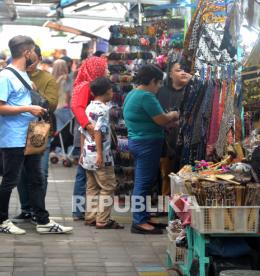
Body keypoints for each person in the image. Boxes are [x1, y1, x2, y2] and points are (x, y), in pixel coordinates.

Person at [0, 35, 72, 235]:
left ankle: (42, 220)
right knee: (10, 180)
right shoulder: (5, 76)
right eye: (34, 52)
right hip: (13, 137)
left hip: (31, 135)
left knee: (36, 178)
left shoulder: (24, 75)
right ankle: (1, 220)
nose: (36, 56)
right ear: (27, 53)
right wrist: (29, 107)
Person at [123, 65, 179, 235]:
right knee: (144, 183)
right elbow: (161, 119)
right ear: (153, 81)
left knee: (144, 181)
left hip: (137, 141)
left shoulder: (132, 94)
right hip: (147, 143)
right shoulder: (147, 96)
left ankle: (144, 216)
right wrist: (174, 115)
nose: (159, 86)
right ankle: (139, 221)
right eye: (158, 82)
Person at [11, 44, 59, 223]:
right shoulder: (12, 76)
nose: (29, 61)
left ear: (38, 58)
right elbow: (0, 104)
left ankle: (38, 209)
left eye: (32, 57)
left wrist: (33, 91)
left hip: (39, 129)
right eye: (27, 57)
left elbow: (51, 105)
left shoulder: (47, 78)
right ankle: (26, 209)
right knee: (21, 172)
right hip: (17, 128)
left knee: (40, 172)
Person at [80, 77, 124, 229]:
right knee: (108, 186)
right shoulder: (104, 110)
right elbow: (98, 131)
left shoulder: (89, 107)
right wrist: (100, 154)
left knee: (92, 187)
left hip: (88, 154)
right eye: (111, 90)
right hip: (101, 156)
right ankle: (102, 220)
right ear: (107, 92)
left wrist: (82, 152)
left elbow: (83, 129)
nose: (112, 92)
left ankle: (91, 217)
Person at [70, 56, 109, 221]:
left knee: (86, 174)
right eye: (104, 68)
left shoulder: (85, 84)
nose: (106, 71)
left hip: (87, 135)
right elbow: (77, 107)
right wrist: (89, 126)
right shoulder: (87, 85)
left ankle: (83, 212)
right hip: (87, 136)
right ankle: (79, 211)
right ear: (96, 69)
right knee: (83, 174)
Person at [157, 60, 192, 196]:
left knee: (184, 176)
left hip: (185, 142)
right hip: (164, 141)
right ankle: (165, 207)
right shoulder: (161, 91)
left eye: (186, 70)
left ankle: (180, 209)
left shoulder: (193, 91)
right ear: (170, 74)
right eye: (179, 70)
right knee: (165, 176)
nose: (183, 73)